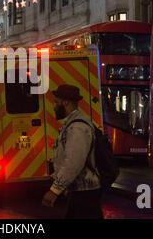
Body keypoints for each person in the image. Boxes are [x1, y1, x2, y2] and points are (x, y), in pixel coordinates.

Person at [42, 84, 103, 219]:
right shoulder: (71, 123)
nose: (54, 106)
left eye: (56, 102)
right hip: (79, 191)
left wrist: (55, 190)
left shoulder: (77, 127)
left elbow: (73, 162)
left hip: (85, 193)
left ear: (66, 102)